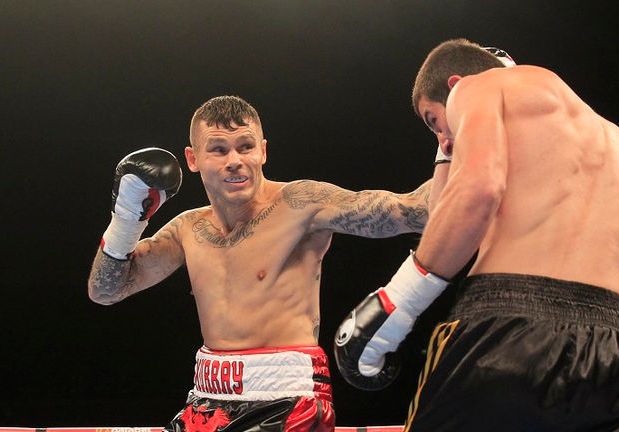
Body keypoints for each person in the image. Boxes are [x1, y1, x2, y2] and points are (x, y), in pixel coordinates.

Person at [333, 38, 619, 431]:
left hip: (505, 337)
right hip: (615, 356)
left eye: (432, 121)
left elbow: (475, 193)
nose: (442, 140)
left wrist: (399, 302)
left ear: (456, 84)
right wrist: (448, 143)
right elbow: (440, 214)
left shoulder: (477, 88)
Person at [87, 95, 434, 432]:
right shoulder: (188, 229)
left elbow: (409, 211)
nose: (234, 160)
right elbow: (106, 291)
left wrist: (461, 142)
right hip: (206, 398)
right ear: (193, 159)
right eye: (219, 150)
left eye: (245, 147)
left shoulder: (301, 204)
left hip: (283, 399)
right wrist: (126, 220)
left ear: (263, 151)